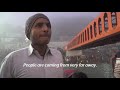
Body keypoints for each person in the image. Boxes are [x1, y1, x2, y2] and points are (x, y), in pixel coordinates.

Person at [0, 13, 64, 78]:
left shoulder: (58, 55)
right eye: (39, 25)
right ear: (29, 32)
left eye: (48, 26)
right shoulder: (12, 59)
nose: (46, 29)